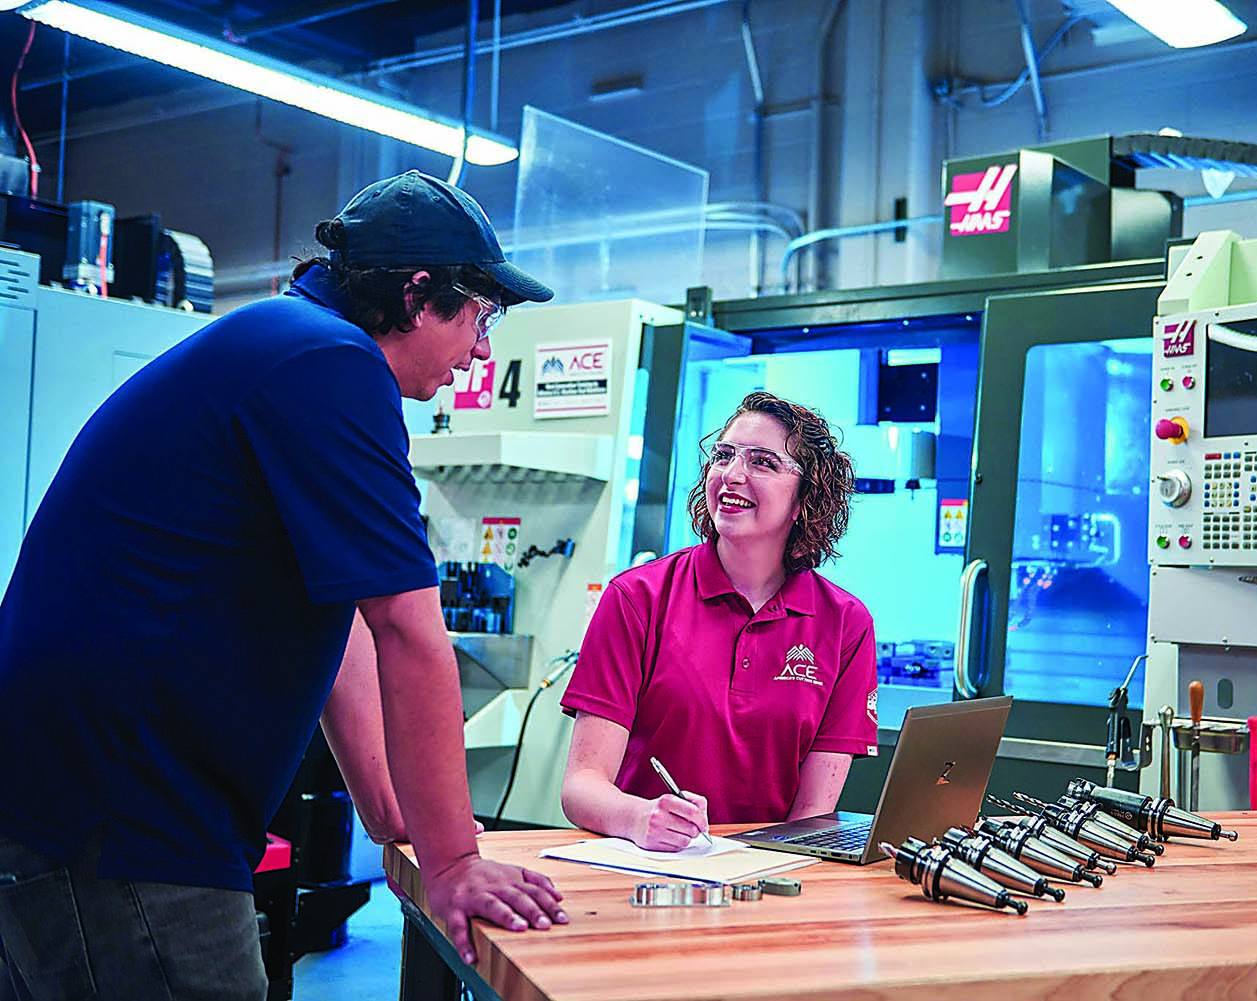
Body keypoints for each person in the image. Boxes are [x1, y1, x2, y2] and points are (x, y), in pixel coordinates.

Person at [0, 170, 567, 1001]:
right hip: (121, 819)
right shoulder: (332, 364)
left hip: (78, 805)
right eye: (481, 314)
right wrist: (451, 862)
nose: (483, 347)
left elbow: (345, 619)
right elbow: (408, 629)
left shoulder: (290, 342)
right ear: (418, 295)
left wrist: (390, 806)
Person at [559, 391, 878, 851]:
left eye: (763, 462)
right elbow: (581, 785)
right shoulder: (636, 598)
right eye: (724, 456)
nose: (731, 474)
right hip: (650, 867)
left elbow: (812, 818)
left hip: (770, 871)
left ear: (805, 499)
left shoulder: (846, 623)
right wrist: (638, 817)